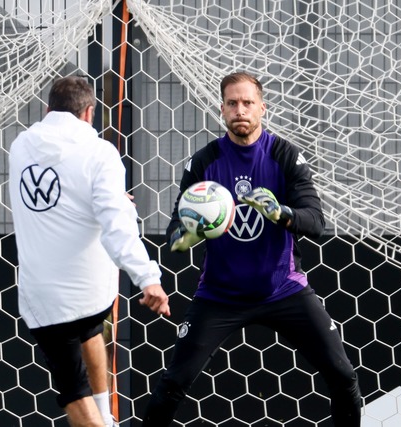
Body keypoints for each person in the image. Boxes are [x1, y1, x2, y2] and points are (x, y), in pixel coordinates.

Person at [142, 72, 361, 426]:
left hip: (283, 289)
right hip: (220, 295)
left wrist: (281, 213)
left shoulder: (284, 155)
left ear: (262, 107)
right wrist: (190, 236)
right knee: (173, 383)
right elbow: (174, 236)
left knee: (343, 376)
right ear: (222, 109)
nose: (239, 110)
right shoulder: (205, 162)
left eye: (247, 103)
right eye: (232, 103)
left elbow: (316, 222)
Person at [8, 75, 171, 427]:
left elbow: (61, 195)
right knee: (86, 346)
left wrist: (108, 200)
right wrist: (148, 278)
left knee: (77, 372)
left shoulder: (20, 146)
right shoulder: (100, 153)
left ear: (47, 110)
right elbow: (116, 226)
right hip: (91, 294)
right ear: (89, 113)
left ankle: (104, 418)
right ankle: (104, 417)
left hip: (46, 298)